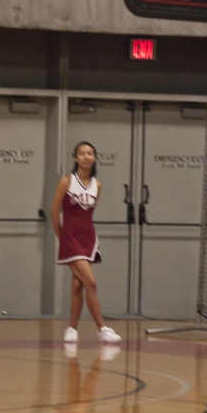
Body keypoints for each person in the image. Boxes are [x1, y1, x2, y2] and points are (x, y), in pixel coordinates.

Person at [51, 142, 121, 344]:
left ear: (95, 158)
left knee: (77, 284)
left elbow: (89, 213)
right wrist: (63, 238)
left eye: (90, 153)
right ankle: (102, 329)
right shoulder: (66, 181)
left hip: (88, 237)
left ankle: (72, 330)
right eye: (81, 154)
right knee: (91, 282)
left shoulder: (97, 185)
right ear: (75, 158)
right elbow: (54, 213)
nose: (86, 157)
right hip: (70, 237)